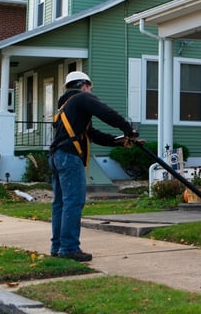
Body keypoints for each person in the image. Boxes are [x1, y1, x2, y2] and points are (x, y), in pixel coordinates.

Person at [49, 71, 138, 262]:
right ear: (84, 85)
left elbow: (93, 134)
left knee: (61, 204)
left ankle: (58, 247)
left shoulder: (66, 107)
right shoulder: (81, 98)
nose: (91, 92)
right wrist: (128, 128)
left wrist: (120, 141)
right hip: (69, 157)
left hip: (57, 156)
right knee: (73, 202)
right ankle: (69, 248)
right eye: (90, 87)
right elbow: (106, 113)